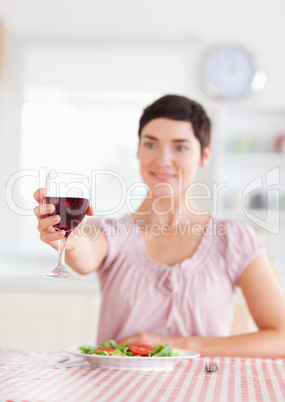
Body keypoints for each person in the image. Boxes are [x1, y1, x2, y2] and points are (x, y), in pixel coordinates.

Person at [33, 94, 285, 358]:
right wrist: (70, 243)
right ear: (138, 150)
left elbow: (280, 338)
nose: (163, 160)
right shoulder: (112, 232)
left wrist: (174, 346)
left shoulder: (234, 238)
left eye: (181, 147)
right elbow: (85, 255)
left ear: (204, 155)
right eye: (151, 144)